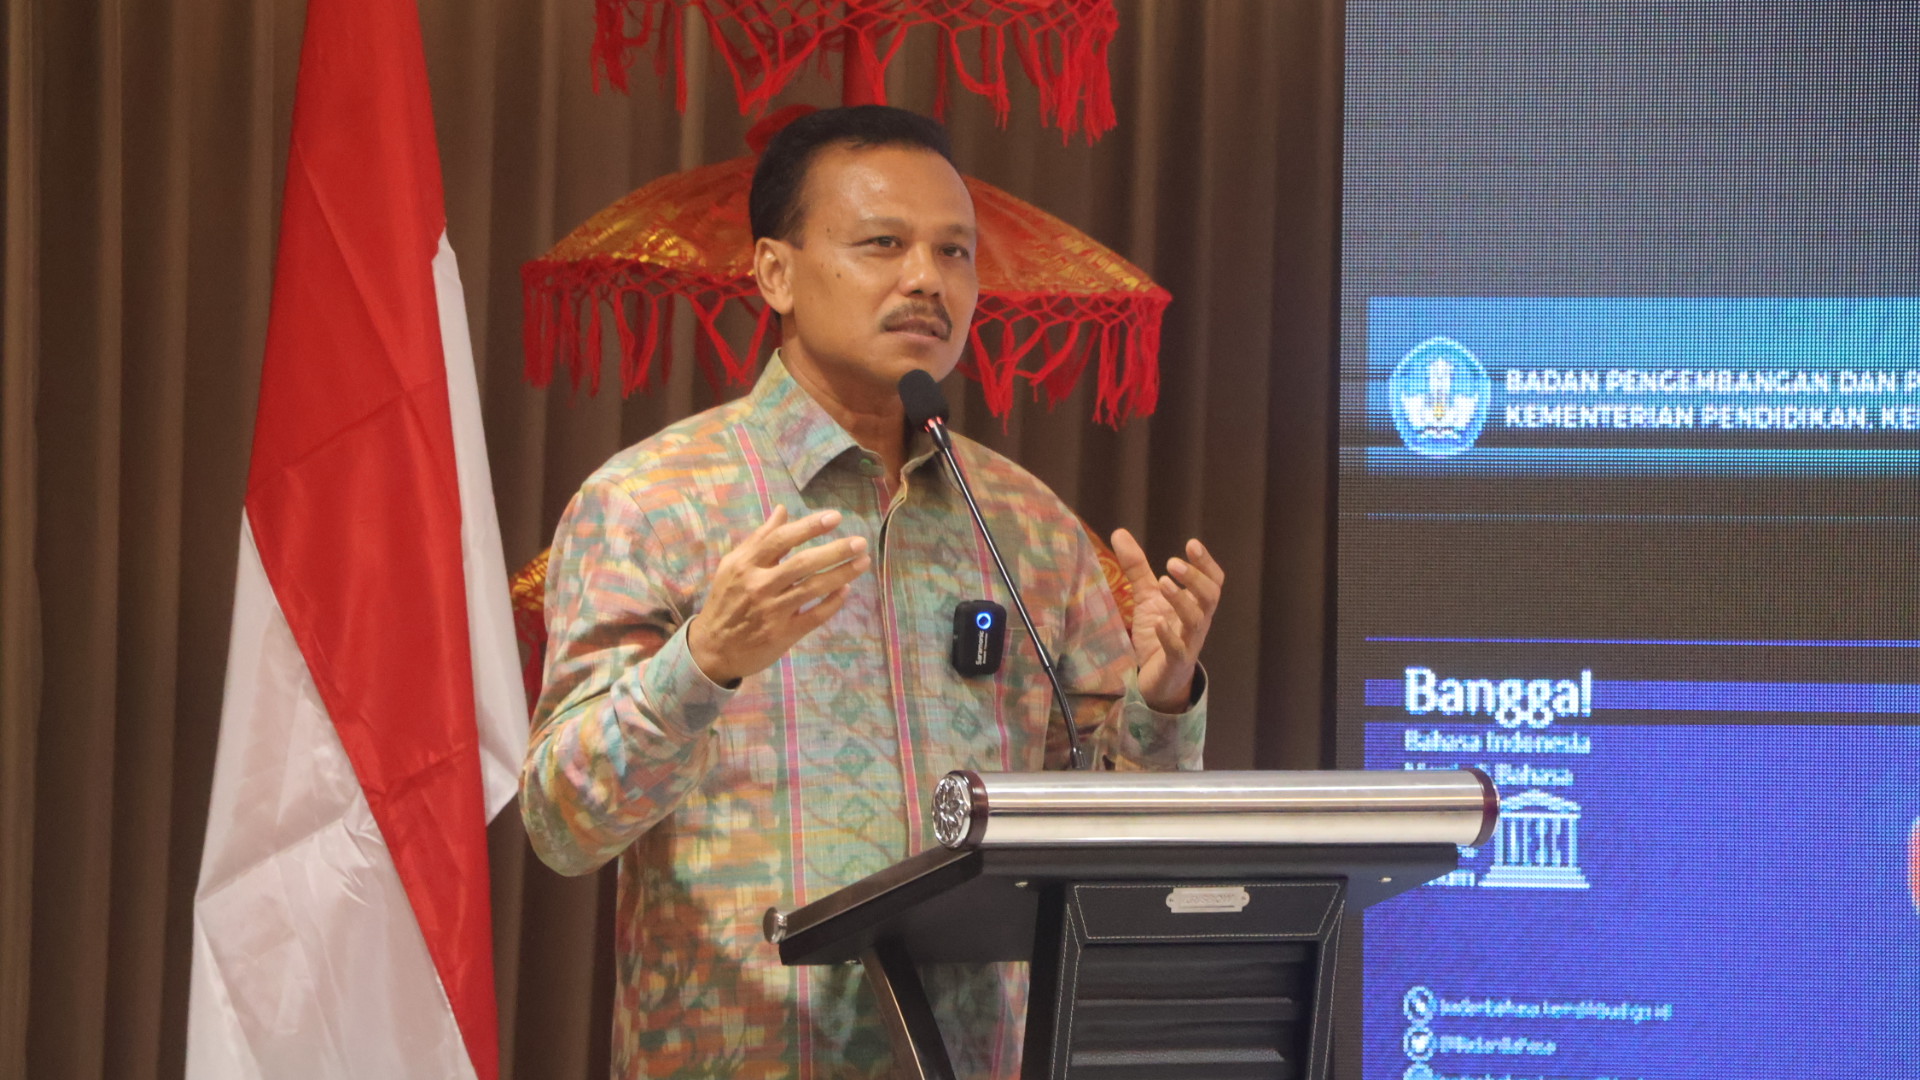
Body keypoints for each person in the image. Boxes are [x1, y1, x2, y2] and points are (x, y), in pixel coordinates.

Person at [521, 105, 1225, 1080]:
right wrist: (703, 663)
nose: (926, 279)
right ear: (775, 272)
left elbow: (1107, 845)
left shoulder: (1024, 523)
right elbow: (563, 824)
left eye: (954, 252)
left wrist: (1160, 702)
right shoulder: (650, 502)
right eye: (883, 244)